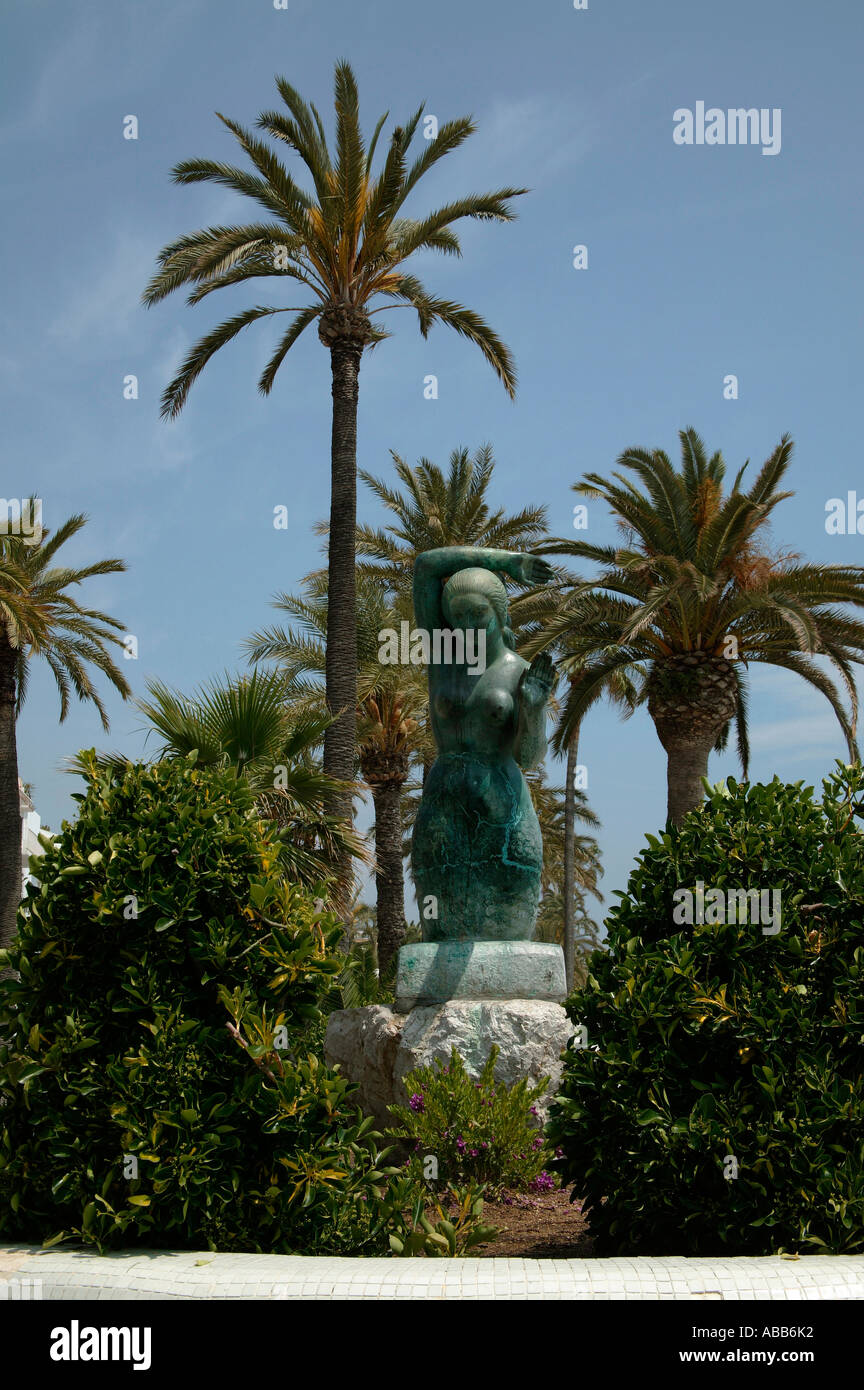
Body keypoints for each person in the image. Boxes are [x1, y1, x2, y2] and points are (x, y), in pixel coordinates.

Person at [411, 547, 555, 941]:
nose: (469, 626)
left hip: (503, 803)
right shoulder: (442, 657)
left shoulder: (520, 671)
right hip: (444, 799)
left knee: (508, 929)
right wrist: (508, 563)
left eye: (479, 615)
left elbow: (528, 756)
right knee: (442, 931)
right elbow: (425, 566)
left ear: (500, 614)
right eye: (458, 616)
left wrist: (534, 706)